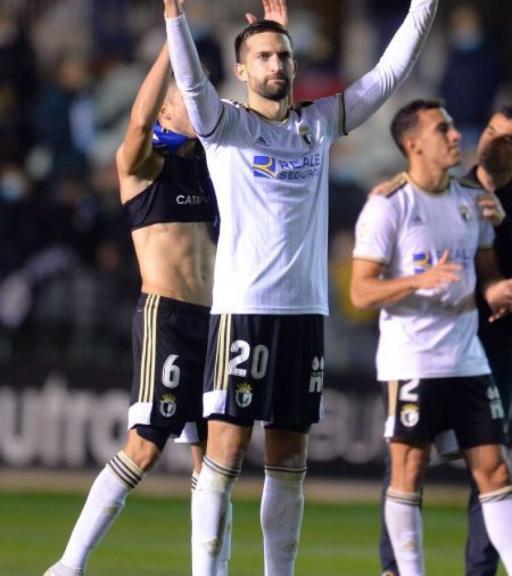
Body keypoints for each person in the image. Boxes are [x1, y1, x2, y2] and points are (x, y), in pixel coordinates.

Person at [161, 0, 439, 573]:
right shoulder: (225, 126)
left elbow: (388, 76)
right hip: (243, 310)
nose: (275, 64)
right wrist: (175, 19)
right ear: (241, 71)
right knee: (225, 455)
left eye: (283, 54)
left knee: (290, 458)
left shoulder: (317, 124)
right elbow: (190, 84)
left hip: (304, 312)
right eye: (263, 56)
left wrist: (421, 6)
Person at [46, 45, 221, 576]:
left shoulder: (206, 168)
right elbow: (139, 119)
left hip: (214, 322)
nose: (199, 103)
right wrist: (173, 46)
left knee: (215, 461)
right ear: (167, 112)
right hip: (166, 317)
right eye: (188, 99)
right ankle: (69, 564)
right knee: (144, 447)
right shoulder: (143, 164)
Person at [350, 99, 512, 576]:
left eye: (453, 127)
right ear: (414, 144)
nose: (456, 136)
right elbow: (360, 291)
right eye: (443, 129)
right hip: (412, 360)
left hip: (468, 358)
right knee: (409, 473)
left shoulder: (467, 201)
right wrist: (416, 280)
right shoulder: (388, 205)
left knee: (495, 471)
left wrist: (496, 290)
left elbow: (487, 272)